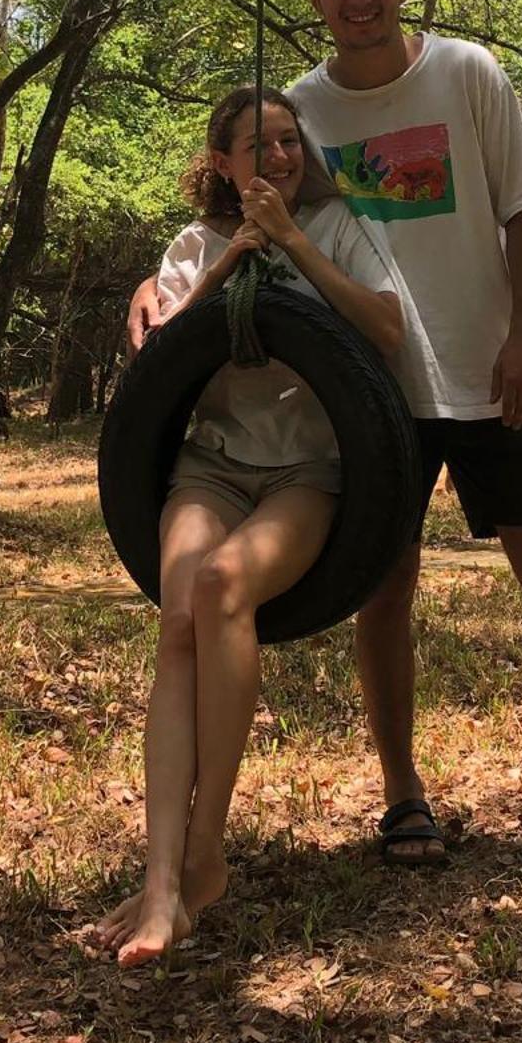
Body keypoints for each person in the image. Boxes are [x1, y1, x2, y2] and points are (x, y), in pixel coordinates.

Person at [125, 0, 522, 871]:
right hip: (372, 395)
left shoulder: (465, 73)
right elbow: (235, 216)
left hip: (486, 367)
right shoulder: (300, 108)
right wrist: (153, 287)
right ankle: (400, 792)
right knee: (385, 593)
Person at [97, 85, 406, 966]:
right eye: (257, 146)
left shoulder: (340, 227)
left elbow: (385, 330)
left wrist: (296, 242)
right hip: (212, 465)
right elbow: (162, 360)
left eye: (288, 142)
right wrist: (236, 256)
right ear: (224, 165)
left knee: (226, 585)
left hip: (309, 474)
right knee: (182, 614)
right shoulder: (191, 248)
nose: (278, 158)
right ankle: (163, 880)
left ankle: (203, 855)